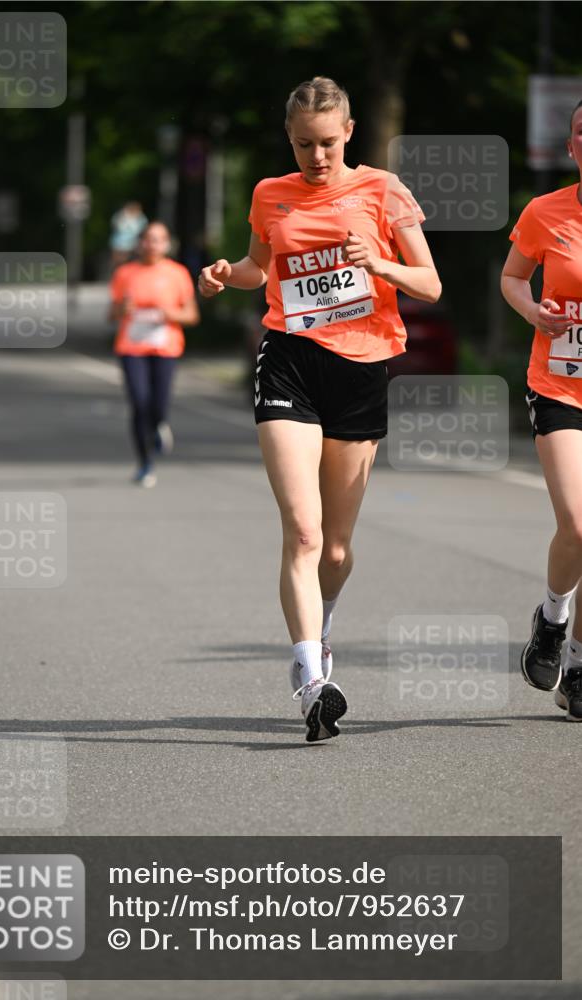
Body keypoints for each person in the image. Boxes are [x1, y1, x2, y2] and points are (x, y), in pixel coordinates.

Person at [198, 77, 441, 742]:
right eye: (304, 144)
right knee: (302, 532)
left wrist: (382, 266)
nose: (316, 157)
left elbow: (430, 283)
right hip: (289, 359)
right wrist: (227, 275)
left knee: (334, 546)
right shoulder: (269, 194)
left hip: (360, 368)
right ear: (290, 139)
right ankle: (311, 678)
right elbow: (257, 266)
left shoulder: (382, 191)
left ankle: (321, 625)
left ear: (349, 133)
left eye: (327, 143)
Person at [500, 98, 582, 723]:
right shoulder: (545, 212)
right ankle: (553, 621)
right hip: (557, 384)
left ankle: (575, 666)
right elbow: (512, 278)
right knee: (578, 525)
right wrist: (533, 312)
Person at [110, 220, 200, 487]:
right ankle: (145, 463)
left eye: (158, 239)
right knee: (139, 402)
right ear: (140, 242)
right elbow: (112, 313)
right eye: (148, 239)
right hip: (131, 347)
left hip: (166, 347)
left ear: (167, 243)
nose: (152, 244)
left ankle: (160, 424)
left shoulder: (177, 273)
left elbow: (192, 315)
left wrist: (170, 314)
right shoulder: (125, 273)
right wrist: (122, 311)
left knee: (158, 404)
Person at [109, 201, 148, 268]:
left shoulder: (141, 218)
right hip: (119, 244)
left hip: (134, 244)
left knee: (132, 262)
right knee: (118, 262)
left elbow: (142, 230)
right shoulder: (120, 216)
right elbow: (117, 227)